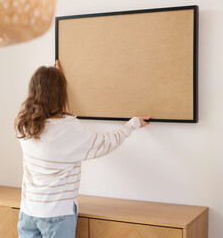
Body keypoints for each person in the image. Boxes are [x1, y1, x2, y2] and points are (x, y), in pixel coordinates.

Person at [14, 60, 150, 238]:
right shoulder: (69, 128)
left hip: (28, 211)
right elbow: (106, 142)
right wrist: (132, 124)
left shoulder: (23, 123)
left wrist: (54, 78)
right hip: (56, 214)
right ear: (60, 94)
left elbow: (56, 124)